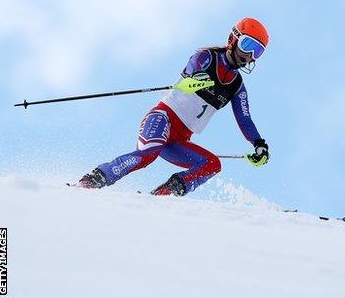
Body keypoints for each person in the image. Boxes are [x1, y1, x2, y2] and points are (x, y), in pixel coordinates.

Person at [75, 18, 271, 196]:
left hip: (178, 140)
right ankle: (94, 180)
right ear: (233, 39)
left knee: (212, 164)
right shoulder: (207, 57)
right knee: (147, 156)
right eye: (248, 45)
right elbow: (193, 67)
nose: (251, 56)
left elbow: (244, 118)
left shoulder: (237, 86)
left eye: (258, 51)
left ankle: (163, 195)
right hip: (163, 119)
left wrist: (258, 144)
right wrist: (192, 79)